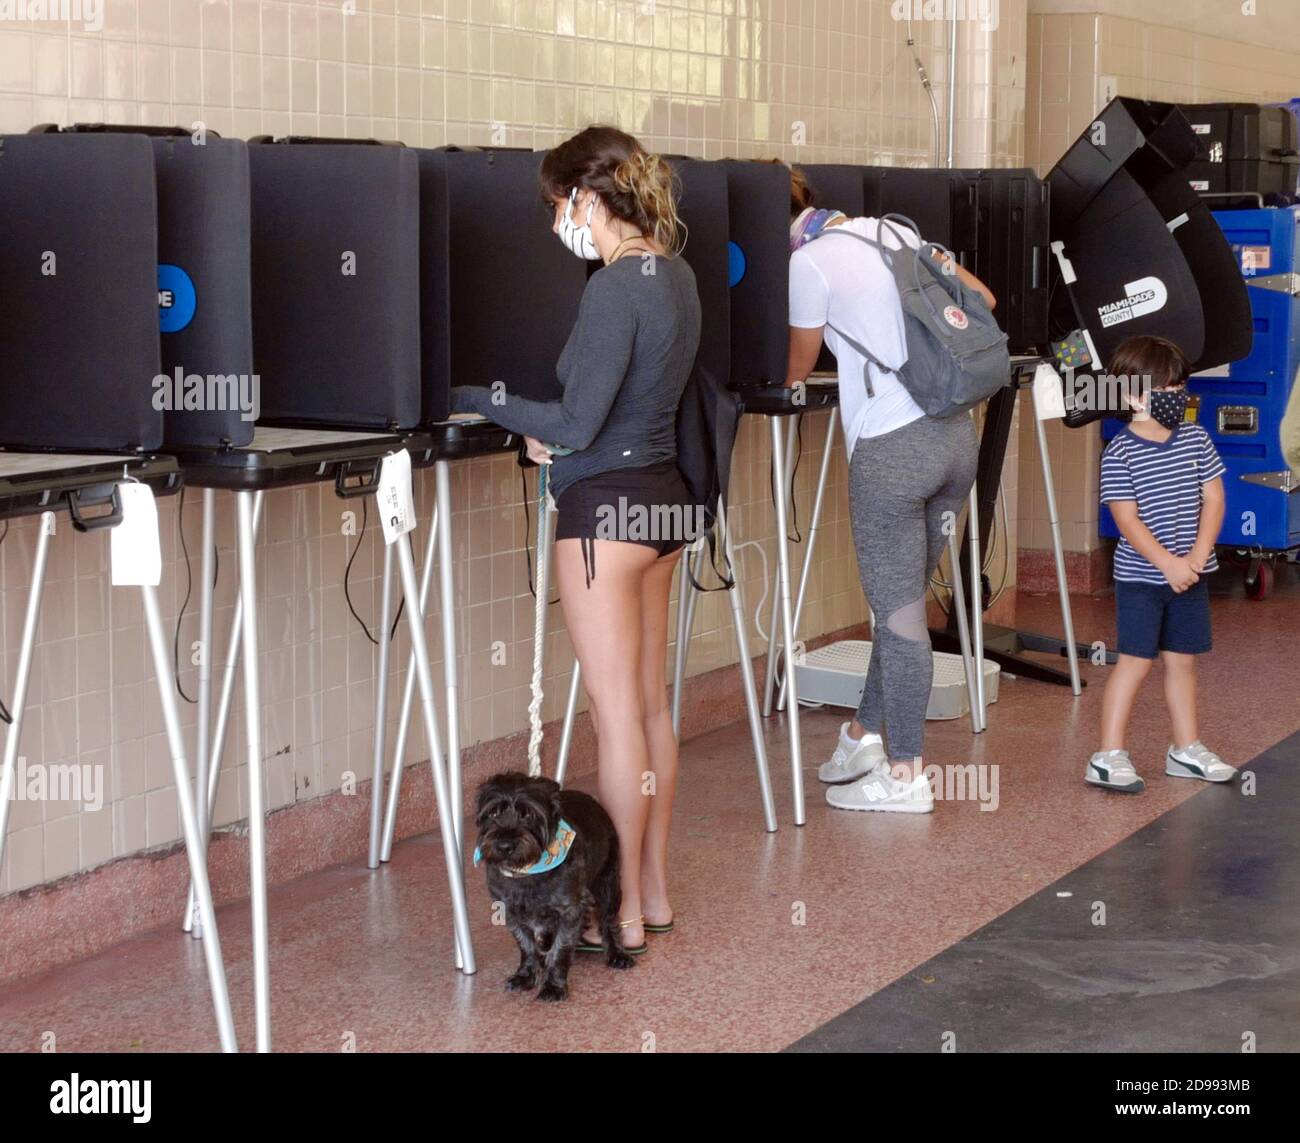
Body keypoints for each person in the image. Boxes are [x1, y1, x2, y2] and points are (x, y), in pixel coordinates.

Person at [450, 126, 701, 953]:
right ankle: (653, 893)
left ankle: (621, 911)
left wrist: (478, 397)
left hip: (604, 515)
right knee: (655, 707)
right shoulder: (678, 275)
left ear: (588, 200)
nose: (559, 220)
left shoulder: (612, 287)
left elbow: (578, 419)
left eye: (560, 204)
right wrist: (555, 435)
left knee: (616, 716)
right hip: (665, 508)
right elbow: (630, 407)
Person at [781, 163, 996, 814]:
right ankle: (860, 736)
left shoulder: (808, 262)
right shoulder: (893, 233)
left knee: (899, 622)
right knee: (900, 606)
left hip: (891, 452)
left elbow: (796, 364)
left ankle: (905, 777)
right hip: (957, 439)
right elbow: (981, 298)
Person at [1091, 335, 1237, 792]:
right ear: (1133, 395)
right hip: (1142, 580)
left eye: (1180, 389)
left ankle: (1185, 749)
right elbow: (1126, 521)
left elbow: (1213, 499)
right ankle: (1107, 754)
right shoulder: (1121, 452)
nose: (1178, 398)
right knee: (1135, 662)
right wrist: (1167, 564)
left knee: (1183, 663)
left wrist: (1195, 556)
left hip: (1189, 576)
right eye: (1167, 391)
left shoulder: (1195, 438)